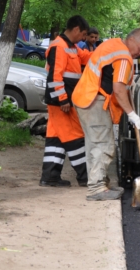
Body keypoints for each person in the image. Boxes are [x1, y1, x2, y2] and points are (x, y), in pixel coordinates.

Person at [72, 28, 140, 201]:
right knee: (103, 145)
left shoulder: (113, 44)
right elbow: (119, 88)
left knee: (95, 144)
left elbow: (123, 87)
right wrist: (132, 114)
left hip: (87, 97)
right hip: (95, 101)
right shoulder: (124, 57)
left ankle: (100, 183)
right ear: (132, 40)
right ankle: (96, 188)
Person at [40, 15, 92, 187]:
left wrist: (106, 53)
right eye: (83, 34)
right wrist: (62, 99)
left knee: (55, 139)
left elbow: (86, 57)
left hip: (61, 101)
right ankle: (85, 177)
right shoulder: (60, 46)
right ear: (76, 29)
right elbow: (55, 76)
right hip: (62, 103)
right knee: (75, 136)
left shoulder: (71, 47)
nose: (84, 38)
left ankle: (50, 177)